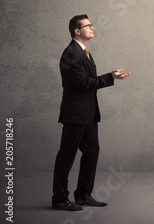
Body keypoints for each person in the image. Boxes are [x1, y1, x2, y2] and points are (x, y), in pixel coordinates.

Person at [52, 14, 131, 211]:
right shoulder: (71, 54)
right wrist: (110, 77)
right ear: (77, 31)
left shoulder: (84, 51)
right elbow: (83, 84)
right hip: (75, 114)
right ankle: (60, 199)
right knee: (66, 157)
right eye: (88, 26)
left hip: (87, 114)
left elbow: (88, 82)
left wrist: (111, 78)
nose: (92, 28)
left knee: (91, 151)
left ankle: (83, 195)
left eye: (91, 25)